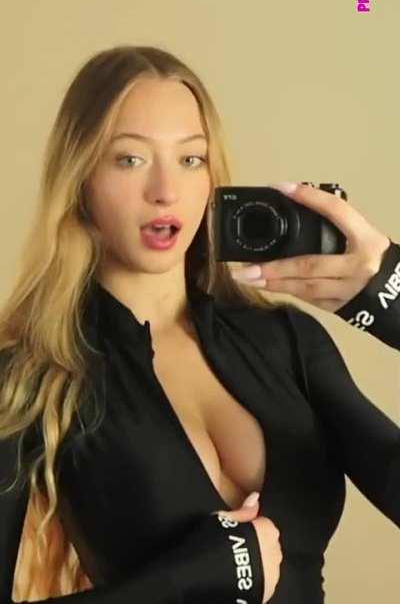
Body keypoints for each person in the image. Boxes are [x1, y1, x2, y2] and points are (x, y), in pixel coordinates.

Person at [0, 45, 398, 604]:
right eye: (130, 159)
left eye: (191, 159)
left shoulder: (286, 342)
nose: (166, 190)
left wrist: (394, 303)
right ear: (80, 177)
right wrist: (181, 582)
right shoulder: (28, 376)